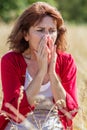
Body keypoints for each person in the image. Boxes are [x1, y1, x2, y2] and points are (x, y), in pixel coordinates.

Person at [0, 1, 78, 130]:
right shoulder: (10, 61)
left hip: (53, 122)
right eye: (40, 30)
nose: (47, 37)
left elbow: (70, 111)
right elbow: (15, 112)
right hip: (19, 123)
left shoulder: (66, 61)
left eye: (52, 30)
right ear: (26, 34)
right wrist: (41, 72)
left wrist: (52, 73)